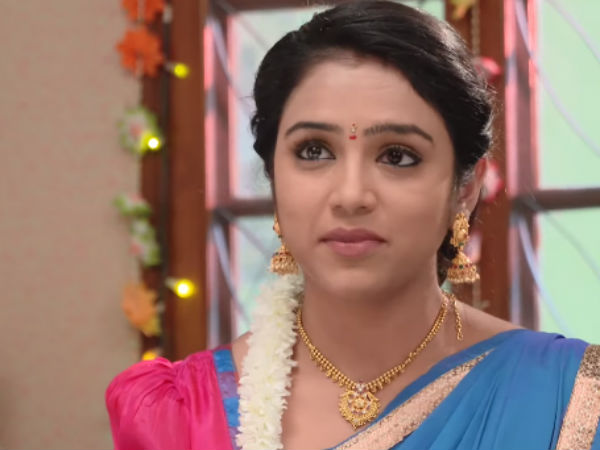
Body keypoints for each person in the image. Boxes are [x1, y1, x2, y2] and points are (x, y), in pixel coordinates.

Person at [105, 2, 600, 449]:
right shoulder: (181, 415)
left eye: (398, 156)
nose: (350, 195)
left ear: (466, 189)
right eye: (314, 151)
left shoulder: (571, 400)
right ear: (274, 176)